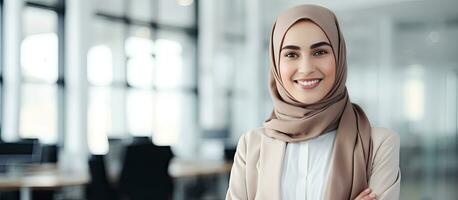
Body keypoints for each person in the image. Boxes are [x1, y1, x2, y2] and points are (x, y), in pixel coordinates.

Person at [225, 4, 400, 200]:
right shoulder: (251, 146)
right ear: (275, 62)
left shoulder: (379, 145)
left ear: (339, 56)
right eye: (291, 54)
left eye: (320, 52)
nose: (306, 68)